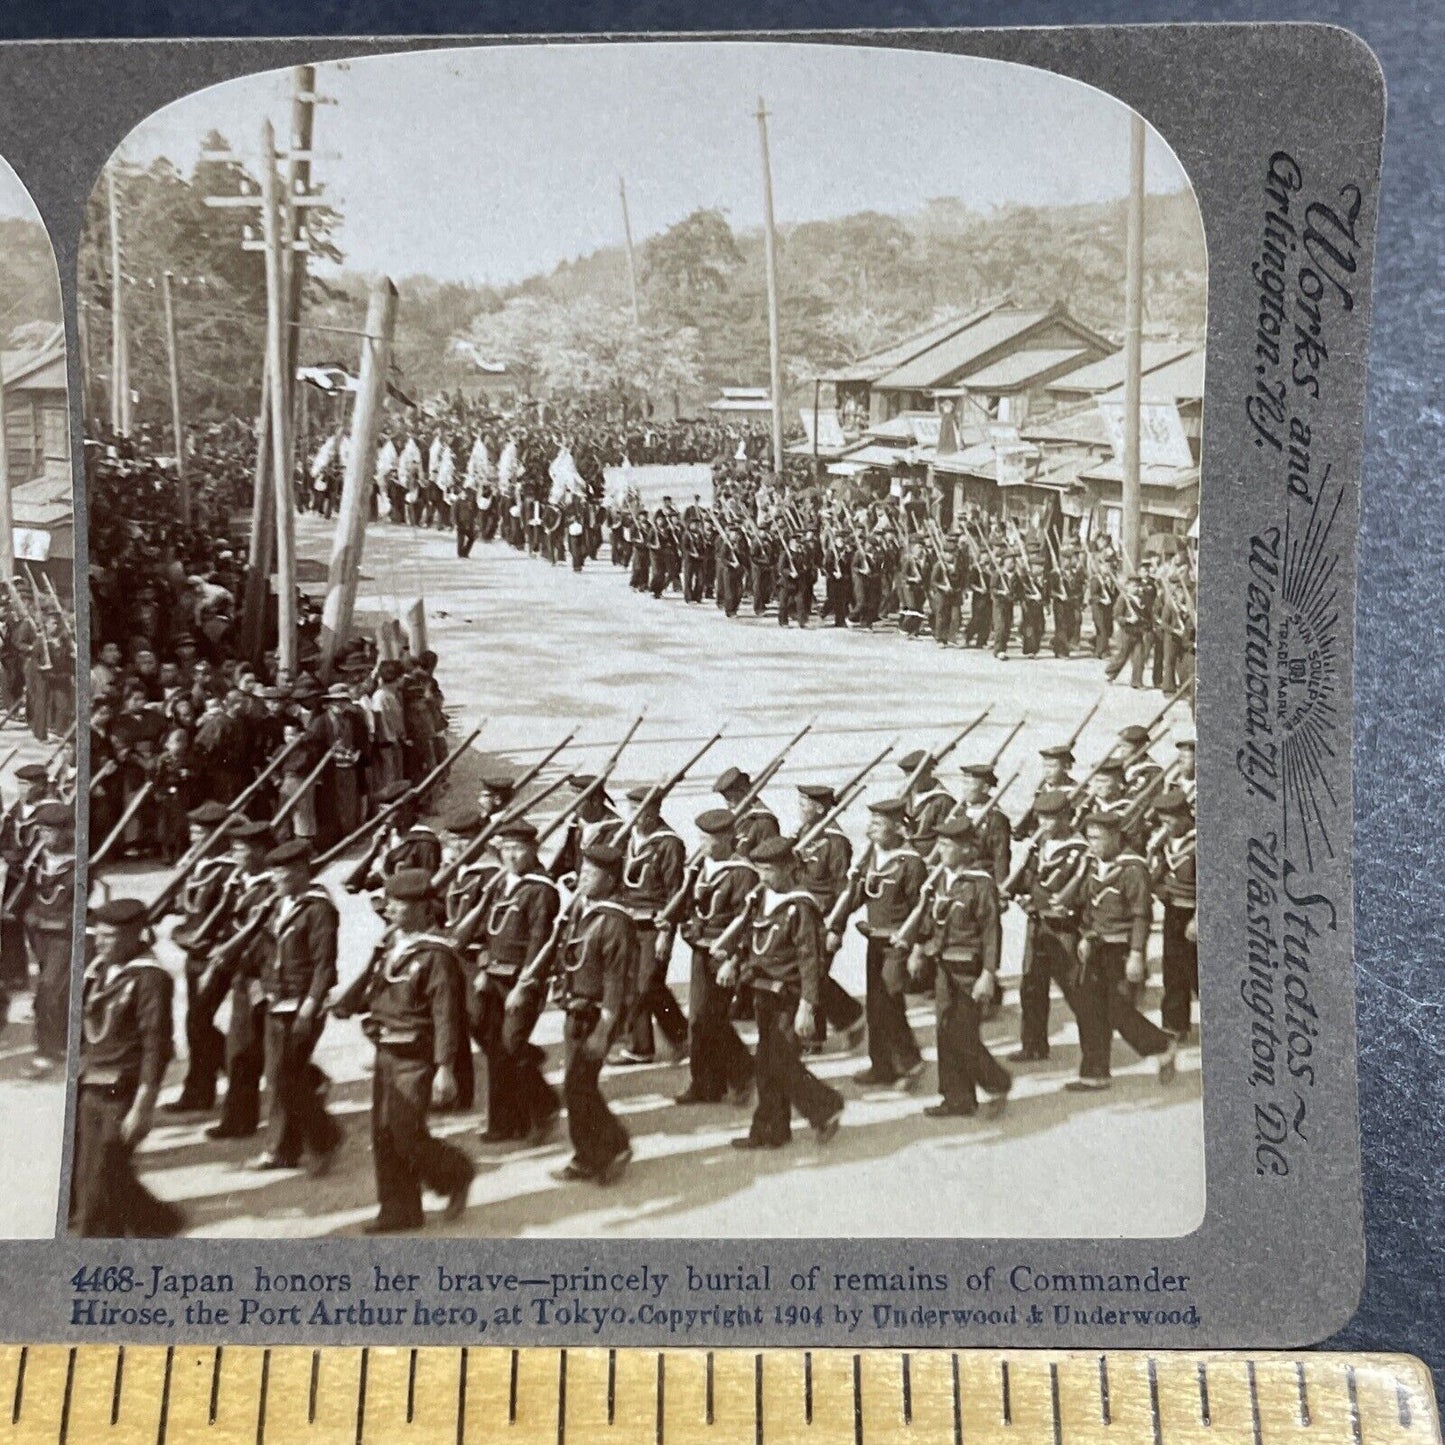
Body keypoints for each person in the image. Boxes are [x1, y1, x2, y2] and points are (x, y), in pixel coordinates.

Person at [332, 869, 474, 1234]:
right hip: (386, 1049)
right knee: (382, 1132)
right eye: (390, 902)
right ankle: (399, 1210)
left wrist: (445, 1068)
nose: (390, 909)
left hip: (416, 1056)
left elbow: (447, 1017)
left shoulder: (436, 956)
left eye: (400, 904)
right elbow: (378, 990)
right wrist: (352, 1001)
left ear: (424, 909)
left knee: (405, 1131)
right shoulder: (391, 946)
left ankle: (456, 1172)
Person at [716, 836, 843, 1149]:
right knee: (766, 1063)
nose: (763, 877)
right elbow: (747, 935)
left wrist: (807, 1006)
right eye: (759, 870)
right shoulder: (761, 899)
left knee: (780, 1062)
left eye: (770, 870)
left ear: (789, 868)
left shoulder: (801, 907)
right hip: (763, 993)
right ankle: (772, 1130)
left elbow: (811, 960)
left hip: (789, 997)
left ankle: (824, 1106)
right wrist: (733, 962)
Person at [71, 898, 184, 1238]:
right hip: (91, 1083)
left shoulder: (150, 979)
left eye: (109, 937)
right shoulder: (99, 971)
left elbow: (156, 1045)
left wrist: (143, 1107)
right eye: (98, 935)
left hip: (124, 1089)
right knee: (95, 1174)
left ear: (135, 935)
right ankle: (157, 1225)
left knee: (103, 1177)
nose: (100, 943)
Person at [535, 843, 637, 1184]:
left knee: (578, 1085)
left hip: (595, 1014)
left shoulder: (614, 922)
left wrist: (605, 1028)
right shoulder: (584, 908)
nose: (582, 879)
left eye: (591, 875)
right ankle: (600, 1149)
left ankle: (603, 1151)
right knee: (578, 1085)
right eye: (582, 872)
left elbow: (616, 980)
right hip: (576, 1009)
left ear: (609, 881)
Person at [457, 818, 561, 1145]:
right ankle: (505, 1123)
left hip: (521, 980)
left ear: (533, 849)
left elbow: (538, 941)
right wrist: (485, 970)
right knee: (496, 1049)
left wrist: (524, 986)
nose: (511, 856)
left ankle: (543, 1107)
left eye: (518, 849)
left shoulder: (541, 891)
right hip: (495, 977)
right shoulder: (503, 883)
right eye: (506, 849)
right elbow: (490, 930)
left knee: (511, 1046)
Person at [249, 840, 344, 1171]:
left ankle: (320, 1140)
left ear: (302, 871)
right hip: (276, 1003)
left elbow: (324, 964)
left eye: (283, 872)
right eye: (274, 871)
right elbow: (264, 952)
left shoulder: (318, 909)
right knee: (280, 1076)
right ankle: (286, 1147)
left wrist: (310, 1006)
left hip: (303, 1004)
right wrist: (259, 987)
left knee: (285, 1077)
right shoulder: (278, 906)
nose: (275, 878)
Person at [909, 817, 1012, 1118]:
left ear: (967, 850)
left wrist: (988, 975)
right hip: (943, 967)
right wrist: (918, 949)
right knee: (944, 1031)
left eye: (947, 845)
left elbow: (992, 932)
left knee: (962, 1034)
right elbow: (931, 920)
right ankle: (957, 1097)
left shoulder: (981, 885)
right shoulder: (943, 880)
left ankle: (997, 1083)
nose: (941, 851)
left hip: (970, 970)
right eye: (939, 844)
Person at [1069, 812, 1177, 1091]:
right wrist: (1086, 935)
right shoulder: (1094, 865)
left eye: (1097, 838)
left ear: (1116, 837)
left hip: (1121, 950)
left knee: (1118, 1011)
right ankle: (1095, 1073)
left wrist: (1137, 953)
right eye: (1089, 838)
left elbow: (1142, 914)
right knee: (1090, 1010)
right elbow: (1089, 907)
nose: (1092, 844)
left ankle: (1162, 1044)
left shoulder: (1132, 869)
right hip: (1095, 947)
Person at [829, 797, 926, 1088]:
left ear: (897, 828)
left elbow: (920, 910)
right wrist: (836, 926)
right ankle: (882, 1067)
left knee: (889, 1004)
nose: (872, 830)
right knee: (875, 1005)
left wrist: (917, 949)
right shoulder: (873, 856)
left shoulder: (911, 864)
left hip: (898, 945)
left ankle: (910, 1064)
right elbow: (858, 895)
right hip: (874, 941)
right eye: (871, 823)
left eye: (879, 824)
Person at [674, 808, 756, 1106]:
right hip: (700, 949)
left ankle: (744, 1072)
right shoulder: (701, 867)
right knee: (698, 1018)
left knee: (713, 1018)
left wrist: (734, 961)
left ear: (725, 839)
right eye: (700, 838)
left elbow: (746, 921)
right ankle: (705, 1083)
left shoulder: (742, 874)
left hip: (724, 954)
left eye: (707, 839)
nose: (702, 844)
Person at [1005, 788, 1089, 1063]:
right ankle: (1033, 1045)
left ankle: (1095, 1049)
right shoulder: (1040, 846)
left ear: (1066, 817)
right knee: (1031, 985)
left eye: (1049, 819)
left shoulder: (1079, 851)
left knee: (1075, 989)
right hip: (1038, 925)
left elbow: (1075, 892)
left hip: (1064, 928)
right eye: (1040, 818)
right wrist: (1022, 898)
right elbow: (1027, 880)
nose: (1043, 825)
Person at [164, 800, 235, 1112]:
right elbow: (188, 907)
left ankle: (204, 1087)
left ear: (219, 836)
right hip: (194, 952)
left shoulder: (228, 872)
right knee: (197, 1022)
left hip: (217, 955)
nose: (194, 838)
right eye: (193, 832)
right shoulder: (195, 866)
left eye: (201, 833)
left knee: (197, 1022)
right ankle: (208, 1084)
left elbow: (230, 918)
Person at [616, 784, 690, 1065]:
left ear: (654, 812)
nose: (634, 817)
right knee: (637, 983)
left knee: (647, 983)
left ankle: (681, 1036)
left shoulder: (669, 844)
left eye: (640, 811)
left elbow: (675, 893)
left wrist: (666, 935)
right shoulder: (627, 837)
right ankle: (641, 1046)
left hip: (654, 924)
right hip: (627, 921)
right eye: (631, 809)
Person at [794, 783, 865, 1050]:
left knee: (816, 976)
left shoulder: (837, 843)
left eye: (804, 805)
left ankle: (849, 1018)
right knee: (809, 975)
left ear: (820, 808)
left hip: (824, 919)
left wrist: (836, 928)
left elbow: (843, 890)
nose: (800, 810)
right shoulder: (806, 833)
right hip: (804, 917)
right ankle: (819, 1033)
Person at [1147, 788, 1198, 1042]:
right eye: (1163, 822)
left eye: (1169, 821)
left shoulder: (1202, 840)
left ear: (1183, 815)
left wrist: (1199, 918)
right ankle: (1174, 1024)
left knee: (1200, 972)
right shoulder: (1167, 842)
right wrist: (1158, 889)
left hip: (1196, 913)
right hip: (1174, 911)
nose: (1165, 827)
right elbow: (1157, 873)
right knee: (1173, 967)